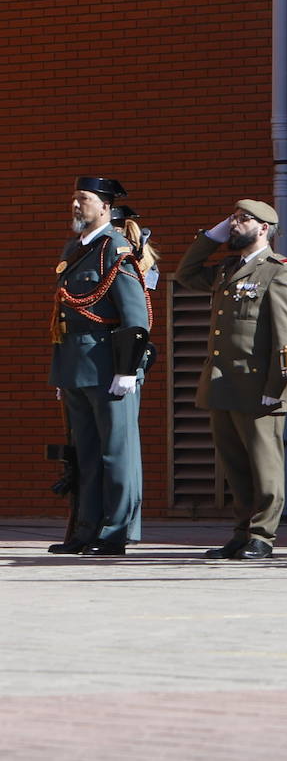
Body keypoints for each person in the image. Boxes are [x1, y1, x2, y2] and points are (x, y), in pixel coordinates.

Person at [174, 199, 287, 560]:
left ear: (264, 228)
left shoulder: (279, 270)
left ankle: (263, 535)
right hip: (223, 383)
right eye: (232, 218)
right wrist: (211, 237)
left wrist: (277, 386)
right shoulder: (228, 268)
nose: (234, 224)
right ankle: (242, 532)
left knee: (265, 466)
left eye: (243, 219)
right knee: (235, 466)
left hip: (258, 385)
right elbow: (185, 273)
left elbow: (286, 335)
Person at [48, 177, 151, 556]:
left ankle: (116, 532)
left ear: (106, 207)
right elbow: (65, 316)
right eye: (74, 199)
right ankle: (85, 529)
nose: (76, 205)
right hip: (77, 365)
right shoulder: (76, 249)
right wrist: (63, 370)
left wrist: (127, 369)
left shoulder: (116, 250)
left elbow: (136, 317)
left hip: (109, 366)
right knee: (86, 454)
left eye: (84, 199)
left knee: (116, 453)